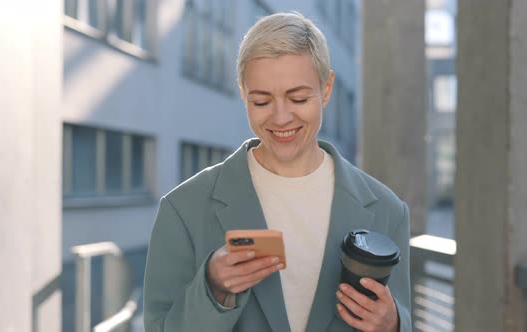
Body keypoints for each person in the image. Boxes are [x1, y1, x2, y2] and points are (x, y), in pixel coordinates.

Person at [143, 12, 411, 332]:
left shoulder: (387, 210)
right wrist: (213, 287)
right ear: (243, 94)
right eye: (261, 101)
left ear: (326, 90)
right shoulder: (184, 208)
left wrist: (393, 325)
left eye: (297, 98)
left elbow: (401, 317)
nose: (281, 117)